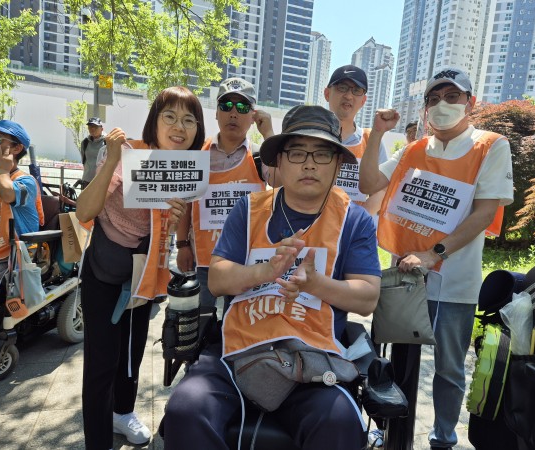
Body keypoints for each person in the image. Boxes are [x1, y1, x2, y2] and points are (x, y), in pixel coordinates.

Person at [162, 105, 382, 450]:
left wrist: (316, 284)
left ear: (338, 163)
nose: (309, 164)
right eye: (297, 153)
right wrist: (264, 272)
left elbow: (368, 297)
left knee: (339, 422)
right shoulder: (249, 208)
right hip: (237, 350)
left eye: (322, 154)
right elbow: (217, 279)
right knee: (186, 410)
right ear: (278, 160)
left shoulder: (354, 221)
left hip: (312, 357)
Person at [359, 67, 513, 450]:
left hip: (454, 283)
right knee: (396, 364)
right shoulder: (413, 149)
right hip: (404, 280)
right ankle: (391, 435)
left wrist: (433, 254)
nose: (442, 104)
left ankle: (442, 439)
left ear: (470, 103)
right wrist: (377, 133)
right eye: (434, 98)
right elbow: (369, 184)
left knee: (448, 369)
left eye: (452, 96)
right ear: (426, 107)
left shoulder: (490, 146)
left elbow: (484, 213)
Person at [76, 86, 205, 450]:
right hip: (105, 270)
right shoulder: (129, 154)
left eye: (189, 120)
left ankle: (123, 412)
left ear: (197, 130)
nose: (179, 127)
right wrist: (111, 160)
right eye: (170, 116)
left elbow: (172, 222)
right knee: (102, 361)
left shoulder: (186, 169)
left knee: (132, 352)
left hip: (146, 272)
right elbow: (84, 211)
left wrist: (176, 226)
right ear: (154, 121)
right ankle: (98, 441)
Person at [176, 77, 277, 309]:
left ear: (253, 115)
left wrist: (269, 135)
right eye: (226, 105)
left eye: (242, 107)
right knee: (200, 325)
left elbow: (283, 181)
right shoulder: (197, 154)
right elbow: (186, 202)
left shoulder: (261, 156)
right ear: (216, 113)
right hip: (203, 261)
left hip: (245, 263)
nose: (233, 113)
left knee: (239, 327)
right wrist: (182, 245)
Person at [0, 120, 44, 294]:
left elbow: (7, 194)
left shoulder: (26, 182)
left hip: (10, 259)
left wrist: (1, 171)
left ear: (17, 148)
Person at [324, 64, 388, 218]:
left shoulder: (371, 141)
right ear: (327, 93)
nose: (348, 96)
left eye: (357, 90)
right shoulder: (310, 135)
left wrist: (357, 220)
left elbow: (380, 189)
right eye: (342, 88)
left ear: (363, 100)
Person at [79, 117, 106, 188]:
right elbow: (84, 160)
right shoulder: (85, 142)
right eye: (90, 127)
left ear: (102, 129)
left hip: (102, 180)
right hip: (86, 179)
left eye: (95, 127)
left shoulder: (107, 142)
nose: (92, 129)